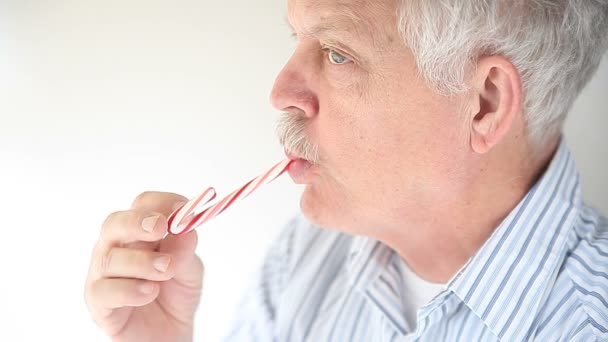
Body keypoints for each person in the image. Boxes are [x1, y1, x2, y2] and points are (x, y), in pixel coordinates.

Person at [84, 0, 608, 340]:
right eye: (298, 41)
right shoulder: (306, 258)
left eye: (337, 54)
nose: (281, 91)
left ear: (485, 104)